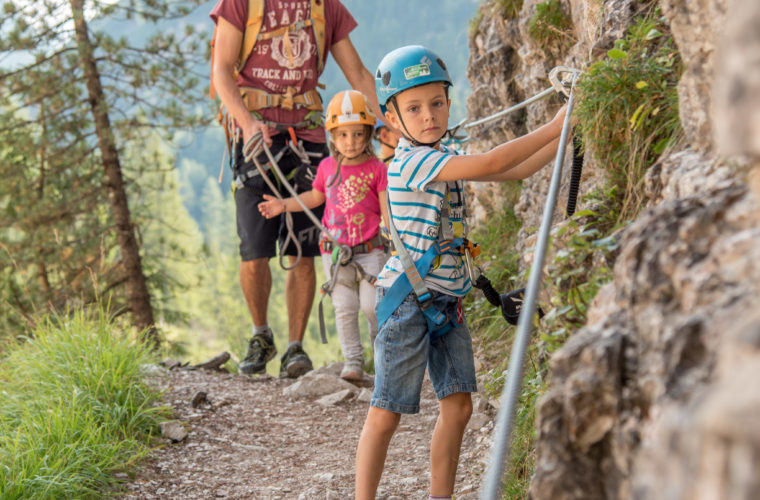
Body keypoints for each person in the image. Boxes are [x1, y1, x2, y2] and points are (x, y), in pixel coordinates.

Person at [354, 45, 569, 500]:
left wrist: (566, 134)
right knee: (387, 412)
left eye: (436, 103)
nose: (428, 115)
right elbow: (492, 162)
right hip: (407, 302)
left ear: (449, 103)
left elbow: (513, 171)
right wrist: (555, 123)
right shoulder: (412, 162)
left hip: (446, 301)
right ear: (392, 118)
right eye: (413, 107)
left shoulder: (443, 154)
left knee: (459, 407)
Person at [209, 0, 384, 378]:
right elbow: (221, 71)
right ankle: (261, 334)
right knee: (254, 250)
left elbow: (357, 73)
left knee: (304, 249)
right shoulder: (241, 3)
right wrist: (246, 123)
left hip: (309, 139)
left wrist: (388, 126)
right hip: (256, 137)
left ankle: (295, 346)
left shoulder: (324, 7)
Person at [259, 90, 389, 381]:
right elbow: (315, 197)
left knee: (372, 307)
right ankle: (353, 362)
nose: (351, 142)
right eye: (343, 135)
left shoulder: (377, 169)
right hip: (336, 252)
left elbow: (385, 209)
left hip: (371, 249)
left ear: (368, 134)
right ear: (333, 136)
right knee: (344, 308)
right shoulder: (327, 167)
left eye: (358, 134)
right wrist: (283, 205)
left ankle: (383, 361)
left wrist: (393, 233)